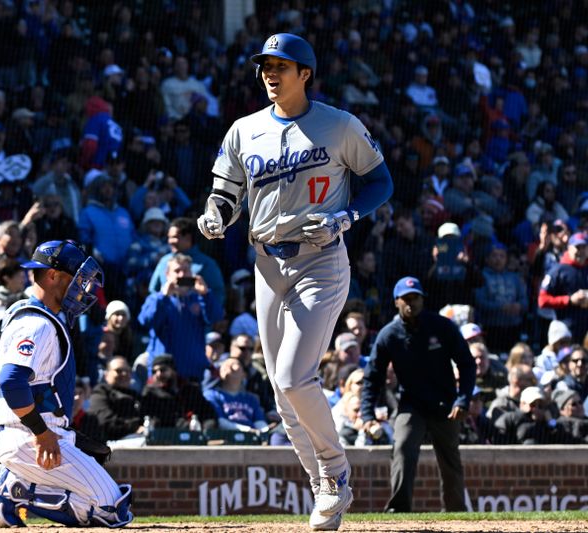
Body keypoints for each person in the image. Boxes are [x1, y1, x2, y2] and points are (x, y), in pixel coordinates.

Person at [196, 32, 393, 532]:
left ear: (305, 73)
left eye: (281, 66)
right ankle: (324, 485)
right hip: (267, 265)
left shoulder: (340, 125)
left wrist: (347, 216)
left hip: (321, 261)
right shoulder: (244, 129)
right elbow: (226, 188)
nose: (269, 74)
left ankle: (335, 475)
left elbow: (380, 182)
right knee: (283, 395)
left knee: (291, 377)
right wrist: (215, 214)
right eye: (265, 66)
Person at [0, 239, 133, 528]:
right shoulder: (37, 323)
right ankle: (13, 490)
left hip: (35, 434)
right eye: (77, 279)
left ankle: (17, 482)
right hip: (32, 437)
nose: (84, 289)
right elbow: (11, 380)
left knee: (113, 503)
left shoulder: (38, 317)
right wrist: (42, 434)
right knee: (111, 510)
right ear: (52, 276)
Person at [361, 277, 476, 512]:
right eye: (406, 298)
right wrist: (367, 414)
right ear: (396, 302)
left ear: (423, 299)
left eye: (416, 298)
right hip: (411, 404)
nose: (411, 303)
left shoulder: (442, 327)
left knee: (449, 459)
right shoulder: (388, 336)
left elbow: (467, 363)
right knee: (402, 447)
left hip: (445, 404)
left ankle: (455, 512)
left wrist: (463, 398)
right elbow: (372, 376)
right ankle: (399, 509)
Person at [138, 253, 223, 381]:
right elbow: (146, 321)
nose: (182, 275)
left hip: (192, 372)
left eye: (186, 270)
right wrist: (163, 296)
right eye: (177, 271)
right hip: (164, 372)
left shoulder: (199, 298)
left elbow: (215, 318)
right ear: (167, 274)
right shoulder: (157, 298)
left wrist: (205, 294)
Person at [87, 356, 142, 442]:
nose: (124, 374)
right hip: (111, 445)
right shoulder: (100, 392)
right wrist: (134, 426)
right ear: (106, 375)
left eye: (128, 371)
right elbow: (105, 422)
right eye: (119, 371)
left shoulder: (135, 395)